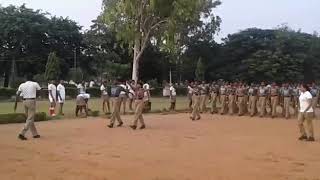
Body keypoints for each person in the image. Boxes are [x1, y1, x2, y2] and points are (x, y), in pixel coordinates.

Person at [16, 75, 41, 140]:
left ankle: (35, 134)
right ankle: (22, 133)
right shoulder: (35, 83)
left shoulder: (22, 85)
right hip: (31, 100)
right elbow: (39, 91)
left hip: (24, 101)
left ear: (25, 79)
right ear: (32, 79)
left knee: (29, 118)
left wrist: (16, 103)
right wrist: (36, 96)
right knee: (30, 118)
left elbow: (18, 94)